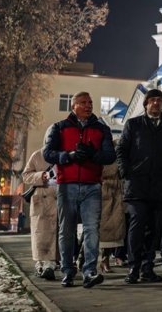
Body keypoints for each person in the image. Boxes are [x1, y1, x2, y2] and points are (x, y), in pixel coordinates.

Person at [43, 91, 115, 289]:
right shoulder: (59, 127)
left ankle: (89, 271)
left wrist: (92, 154)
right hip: (67, 186)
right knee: (67, 231)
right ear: (73, 106)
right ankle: (67, 271)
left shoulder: (102, 129)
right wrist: (69, 156)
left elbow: (110, 156)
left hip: (92, 186)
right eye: (83, 102)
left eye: (90, 102)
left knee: (92, 229)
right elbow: (47, 153)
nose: (88, 105)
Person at [117, 89, 162, 284]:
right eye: (152, 100)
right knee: (137, 226)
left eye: (159, 100)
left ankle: (148, 268)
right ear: (145, 104)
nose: (155, 103)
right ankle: (133, 268)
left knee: (154, 229)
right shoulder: (134, 124)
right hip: (137, 185)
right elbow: (122, 149)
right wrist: (125, 171)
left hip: (161, 185)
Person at [22, 149, 58, 280]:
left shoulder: (63, 153)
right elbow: (25, 175)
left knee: (55, 232)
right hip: (40, 199)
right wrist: (41, 175)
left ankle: (50, 265)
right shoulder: (37, 155)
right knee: (40, 234)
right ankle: (40, 265)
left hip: (57, 198)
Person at [98, 162, 125, 273]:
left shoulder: (116, 150)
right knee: (96, 228)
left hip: (116, 191)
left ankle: (106, 259)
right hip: (101, 190)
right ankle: (83, 256)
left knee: (113, 230)